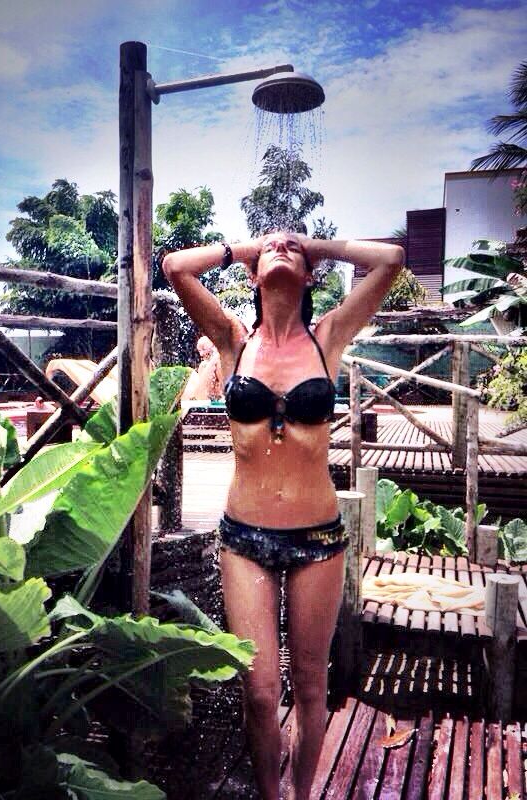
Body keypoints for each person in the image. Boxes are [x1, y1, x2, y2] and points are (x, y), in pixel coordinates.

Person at [163, 232, 403, 800]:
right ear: (251, 275)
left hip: (318, 539)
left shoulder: (329, 337)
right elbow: (175, 267)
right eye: (271, 247)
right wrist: (249, 249)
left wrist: (313, 245)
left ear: (311, 274)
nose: (281, 246)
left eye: (293, 249)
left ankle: (301, 794)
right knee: (261, 691)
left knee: (312, 687)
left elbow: (392, 258)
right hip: (244, 539)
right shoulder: (232, 340)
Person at [182, 335, 225, 402]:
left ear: (213, 347)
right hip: (205, 399)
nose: (201, 354)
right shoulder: (204, 365)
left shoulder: (217, 360)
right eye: (199, 351)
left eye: (204, 349)